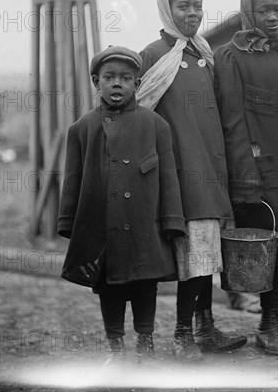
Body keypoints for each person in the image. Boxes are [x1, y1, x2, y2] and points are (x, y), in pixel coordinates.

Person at [137, 0, 247, 360]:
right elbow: (138, 115)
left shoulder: (205, 55)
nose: (193, 13)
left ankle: (204, 326)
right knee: (192, 251)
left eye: (198, 6)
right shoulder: (153, 55)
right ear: (168, 9)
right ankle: (183, 334)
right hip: (180, 171)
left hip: (211, 167)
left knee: (205, 251)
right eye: (184, 6)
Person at [58, 46, 186, 364]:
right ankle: (114, 345)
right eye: (109, 77)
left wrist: (172, 220)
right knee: (109, 287)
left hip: (145, 225)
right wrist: (68, 222)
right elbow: (72, 180)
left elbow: (168, 177)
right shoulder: (82, 129)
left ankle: (146, 340)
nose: (117, 84)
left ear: (137, 83)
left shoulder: (156, 126)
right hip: (102, 228)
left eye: (126, 78)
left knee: (145, 284)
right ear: (96, 81)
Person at [213, 0, 278, 356]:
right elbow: (233, 120)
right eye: (264, 11)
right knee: (267, 246)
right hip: (260, 170)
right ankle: (267, 324)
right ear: (247, 14)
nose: (273, 17)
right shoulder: (231, 56)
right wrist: (245, 176)